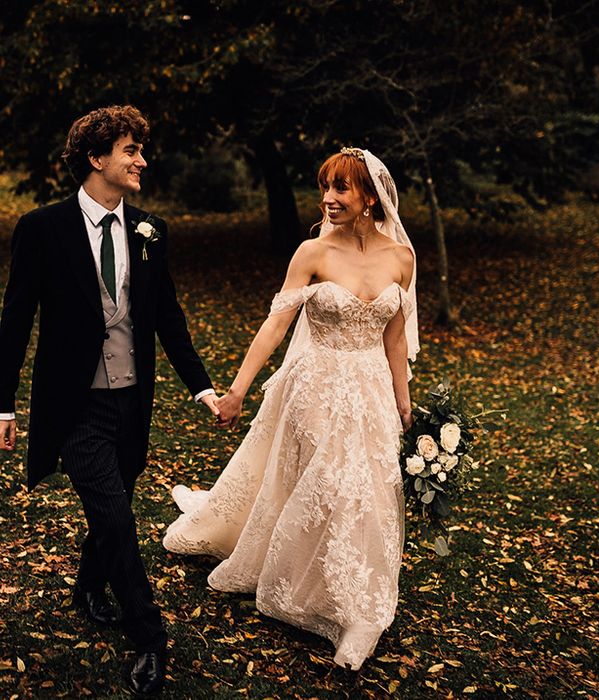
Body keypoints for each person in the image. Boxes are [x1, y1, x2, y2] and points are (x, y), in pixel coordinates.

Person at [163, 147, 419, 670]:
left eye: (341, 189)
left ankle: (358, 607)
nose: (327, 198)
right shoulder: (311, 253)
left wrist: (404, 404)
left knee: (371, 490)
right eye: (324, 187)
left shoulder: (402, 259)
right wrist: (237, 390)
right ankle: (337, 605)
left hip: (370, 389)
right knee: (331, 482)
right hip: (316, 385)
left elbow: (395, 339)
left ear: (370, 197)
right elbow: (276, 324)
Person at [0, 105, 220, 697]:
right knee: (119, 519)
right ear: (96, 158)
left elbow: (165, 316)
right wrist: (3, 405)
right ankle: (149, 638)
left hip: (131, 401)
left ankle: (87, 585)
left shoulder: (150, 229)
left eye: (140, 149)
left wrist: (201, 387)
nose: (142, 160)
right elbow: (15, 321)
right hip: (75, 407)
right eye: (130, 150)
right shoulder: (42, 228)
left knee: (112, 508)